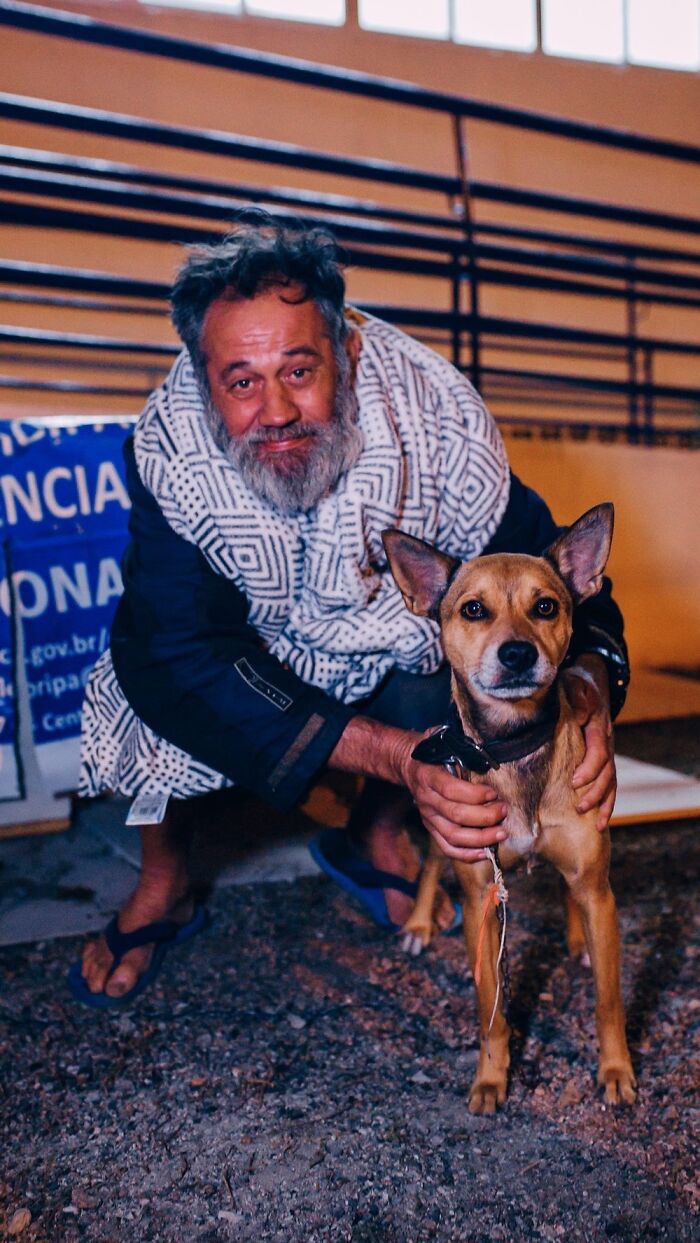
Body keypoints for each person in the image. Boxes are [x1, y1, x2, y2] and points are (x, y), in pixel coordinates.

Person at [71, 215, 629, 1006]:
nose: (275, 409)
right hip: (249, 657)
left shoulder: (440, 420)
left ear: (348, 351)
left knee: (486, 657)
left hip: (383, 638)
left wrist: (594, 689)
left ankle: (371, 833)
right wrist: (397, 754)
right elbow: (175, 649)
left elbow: (554, 580)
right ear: (204, 381)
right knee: (141, 675)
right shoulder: (170, 456)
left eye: (299, 370)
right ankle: (163, 880)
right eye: (240, 381)